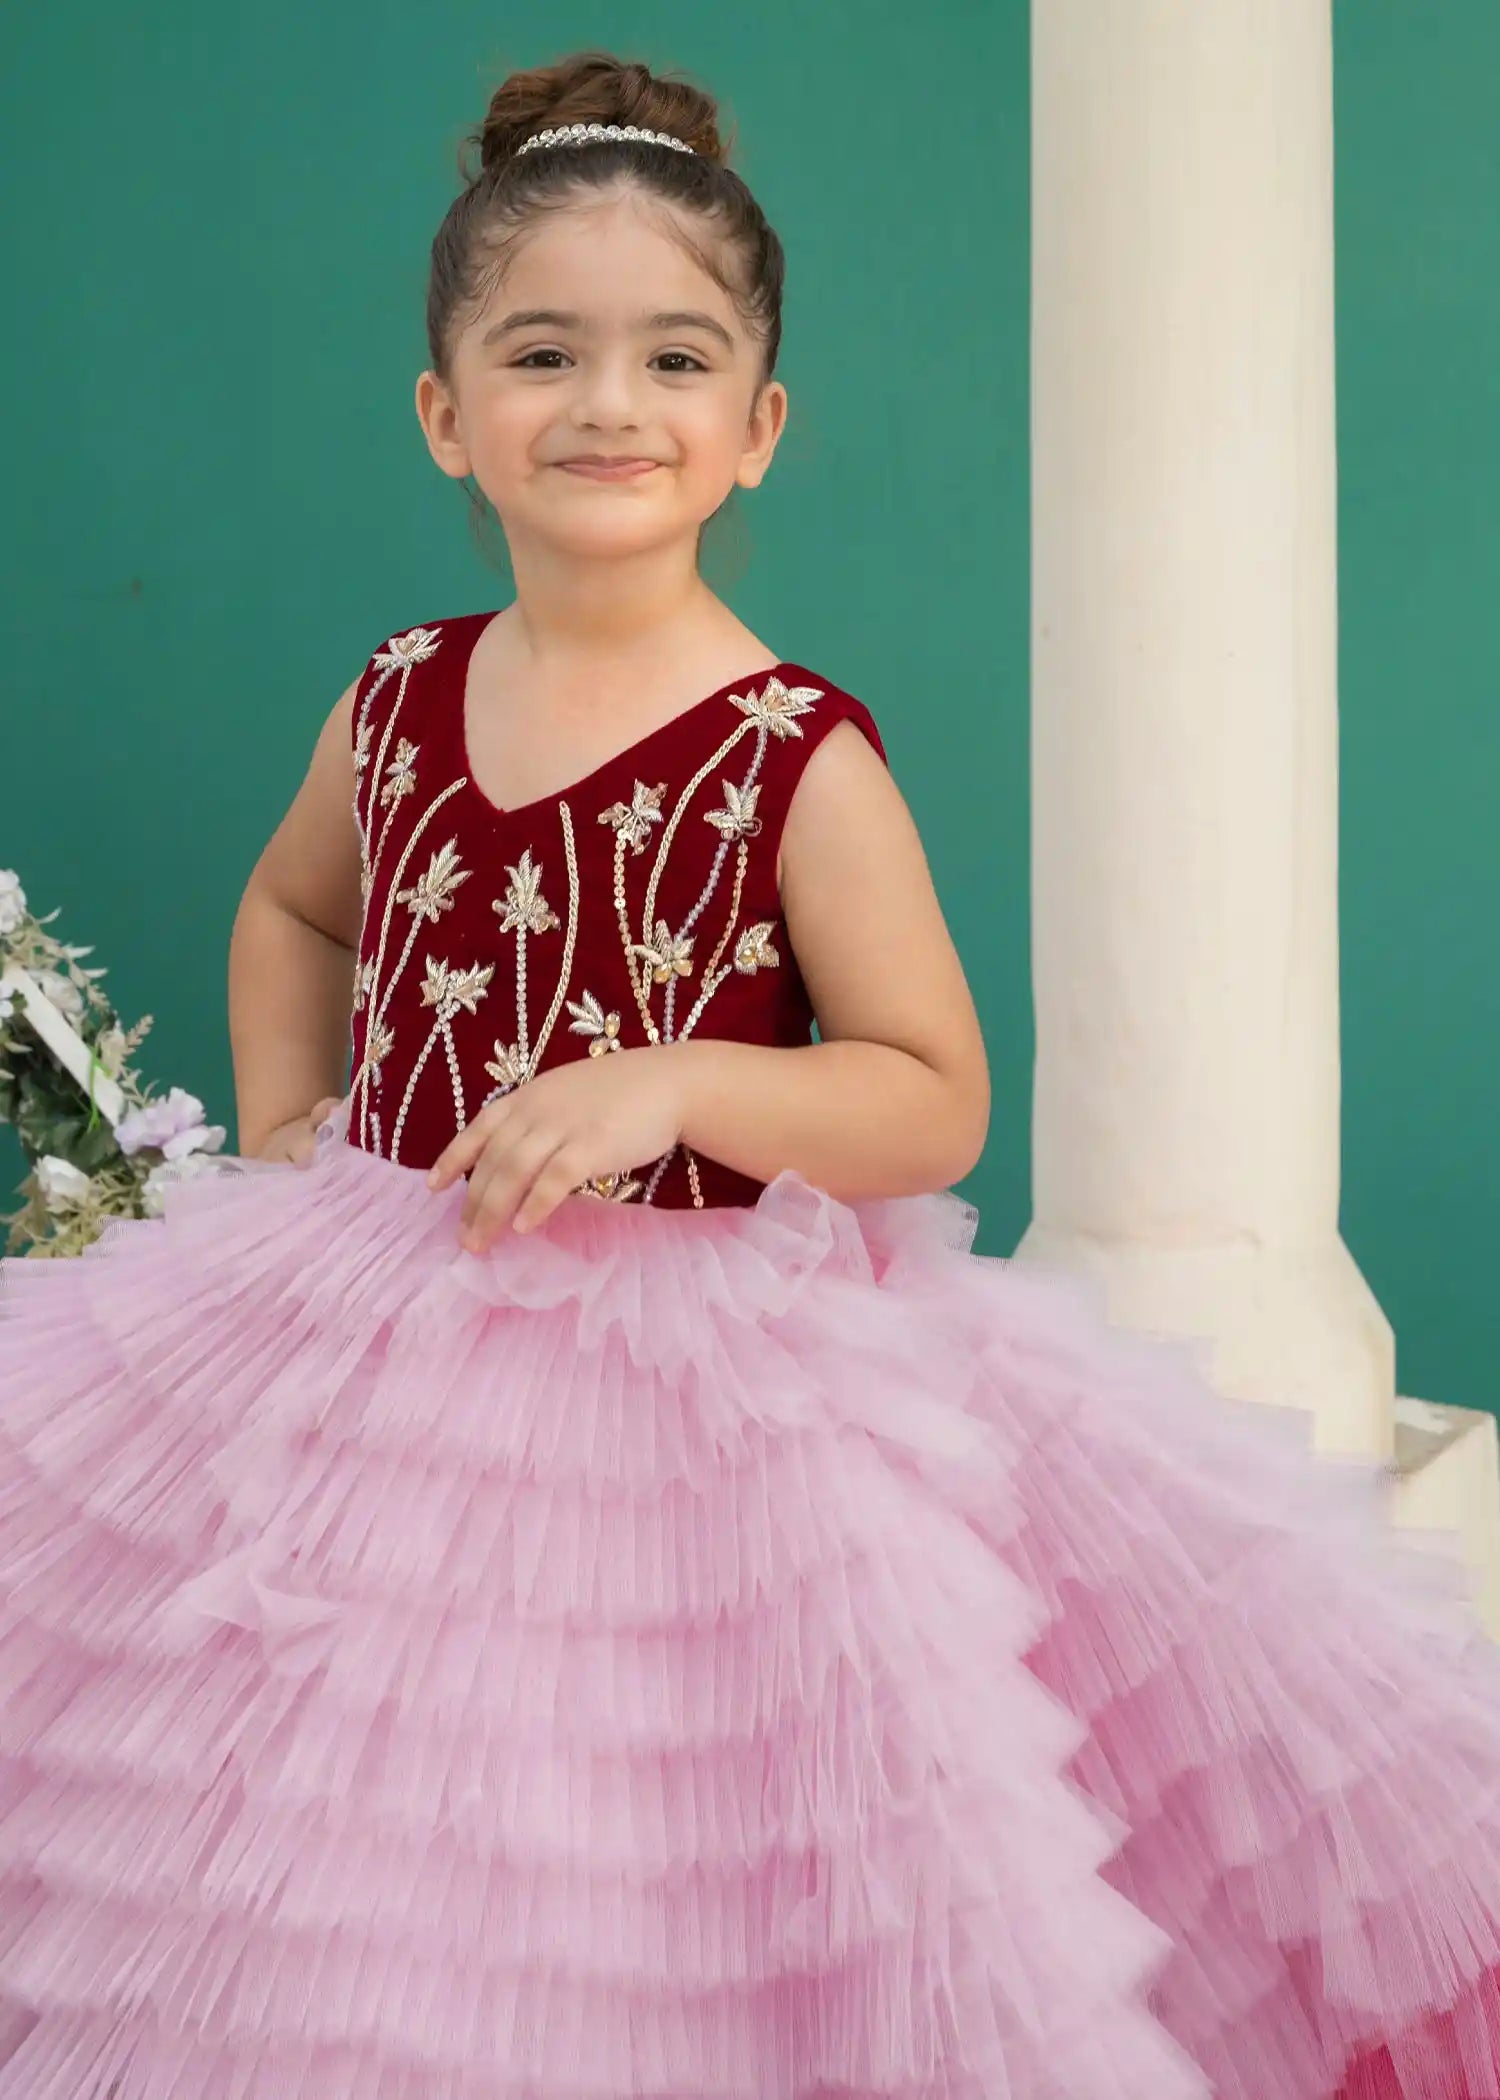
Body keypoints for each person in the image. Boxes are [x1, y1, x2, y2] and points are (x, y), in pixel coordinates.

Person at [0, 45, 1497, 2100]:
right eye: (543, 354)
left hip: (706, 1392)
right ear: (447, 412)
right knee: (358, 1826)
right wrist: (286, 1131)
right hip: (376, 1329)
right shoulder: (398, 700)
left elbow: (931, 1092)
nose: (610, 406)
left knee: (648, 1836)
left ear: (758, 427)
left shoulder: (794, 751)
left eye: (676, 360)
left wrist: (678, 1083)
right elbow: (292, 913)